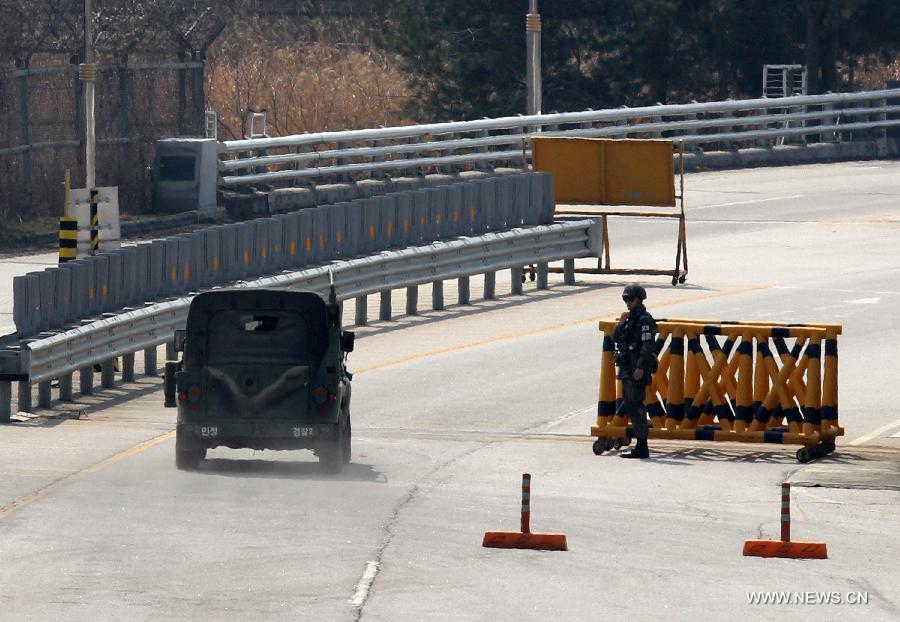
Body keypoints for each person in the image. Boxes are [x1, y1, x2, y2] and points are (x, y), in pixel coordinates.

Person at [613, 284, 657, 459]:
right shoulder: (629, 319)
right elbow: (615, 338)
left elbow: (647, 346)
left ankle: (642, 446)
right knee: (631, 406)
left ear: (639, 299)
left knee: (636, 407)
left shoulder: (645, 320)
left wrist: (640, 367)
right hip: (627, 368)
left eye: (630, 299)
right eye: (626, 299)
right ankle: (640, 444)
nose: (627, 303)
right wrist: (620, 324)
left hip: (636, 369)